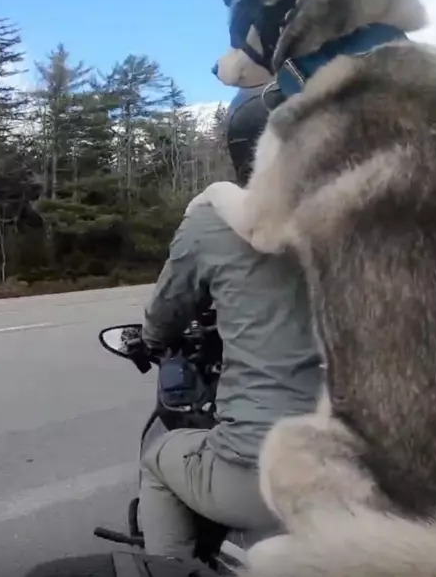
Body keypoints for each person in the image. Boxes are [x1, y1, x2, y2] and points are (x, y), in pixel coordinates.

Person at [134, 83, 317, 559]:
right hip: (377, 469)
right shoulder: (370, 220)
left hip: (271, 475)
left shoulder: (212, 222)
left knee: (158, 461)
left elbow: (165, 312)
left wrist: (153, 340)